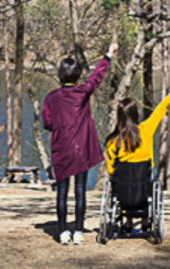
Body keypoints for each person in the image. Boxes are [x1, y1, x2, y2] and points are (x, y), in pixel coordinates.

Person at [43, 36, 118, 245]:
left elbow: (47, 123)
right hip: (81, 150)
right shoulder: (82, 92)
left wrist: (60, 124)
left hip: (61, 150)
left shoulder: (51, 98)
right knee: (79, 192)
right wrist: (108, 54)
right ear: (77, 75)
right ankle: (77, 232)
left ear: (60, 75)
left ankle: (62, 233)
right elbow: (97, 77)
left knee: (62, 193)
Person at [104, 74, 170, 231]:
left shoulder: (112, 141)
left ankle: (129, 222)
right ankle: (145, 222)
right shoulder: (146, 129)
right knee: (145, 182)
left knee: (122, 181)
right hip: (142, 182)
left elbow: (111, 170)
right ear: (135, 114)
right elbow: (162, 107)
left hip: (123, 188)